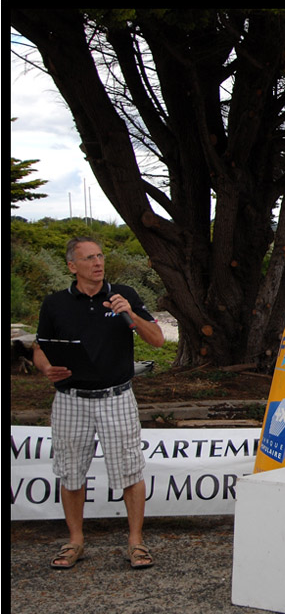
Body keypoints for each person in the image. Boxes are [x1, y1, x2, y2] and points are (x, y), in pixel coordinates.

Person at [34, 237, 166, 568]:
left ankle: (136, 542)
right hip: (70, 399)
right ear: (71, 266)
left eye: (100, 256)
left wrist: (130, 313)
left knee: (130, 469)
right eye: (89, 258)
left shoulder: (124, 295)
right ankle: (75, 541)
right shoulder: (54, 304)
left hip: (116, 397)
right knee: (70, 471)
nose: (97, 262)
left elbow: (158, 339)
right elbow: (40, 347)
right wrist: (46, 367)